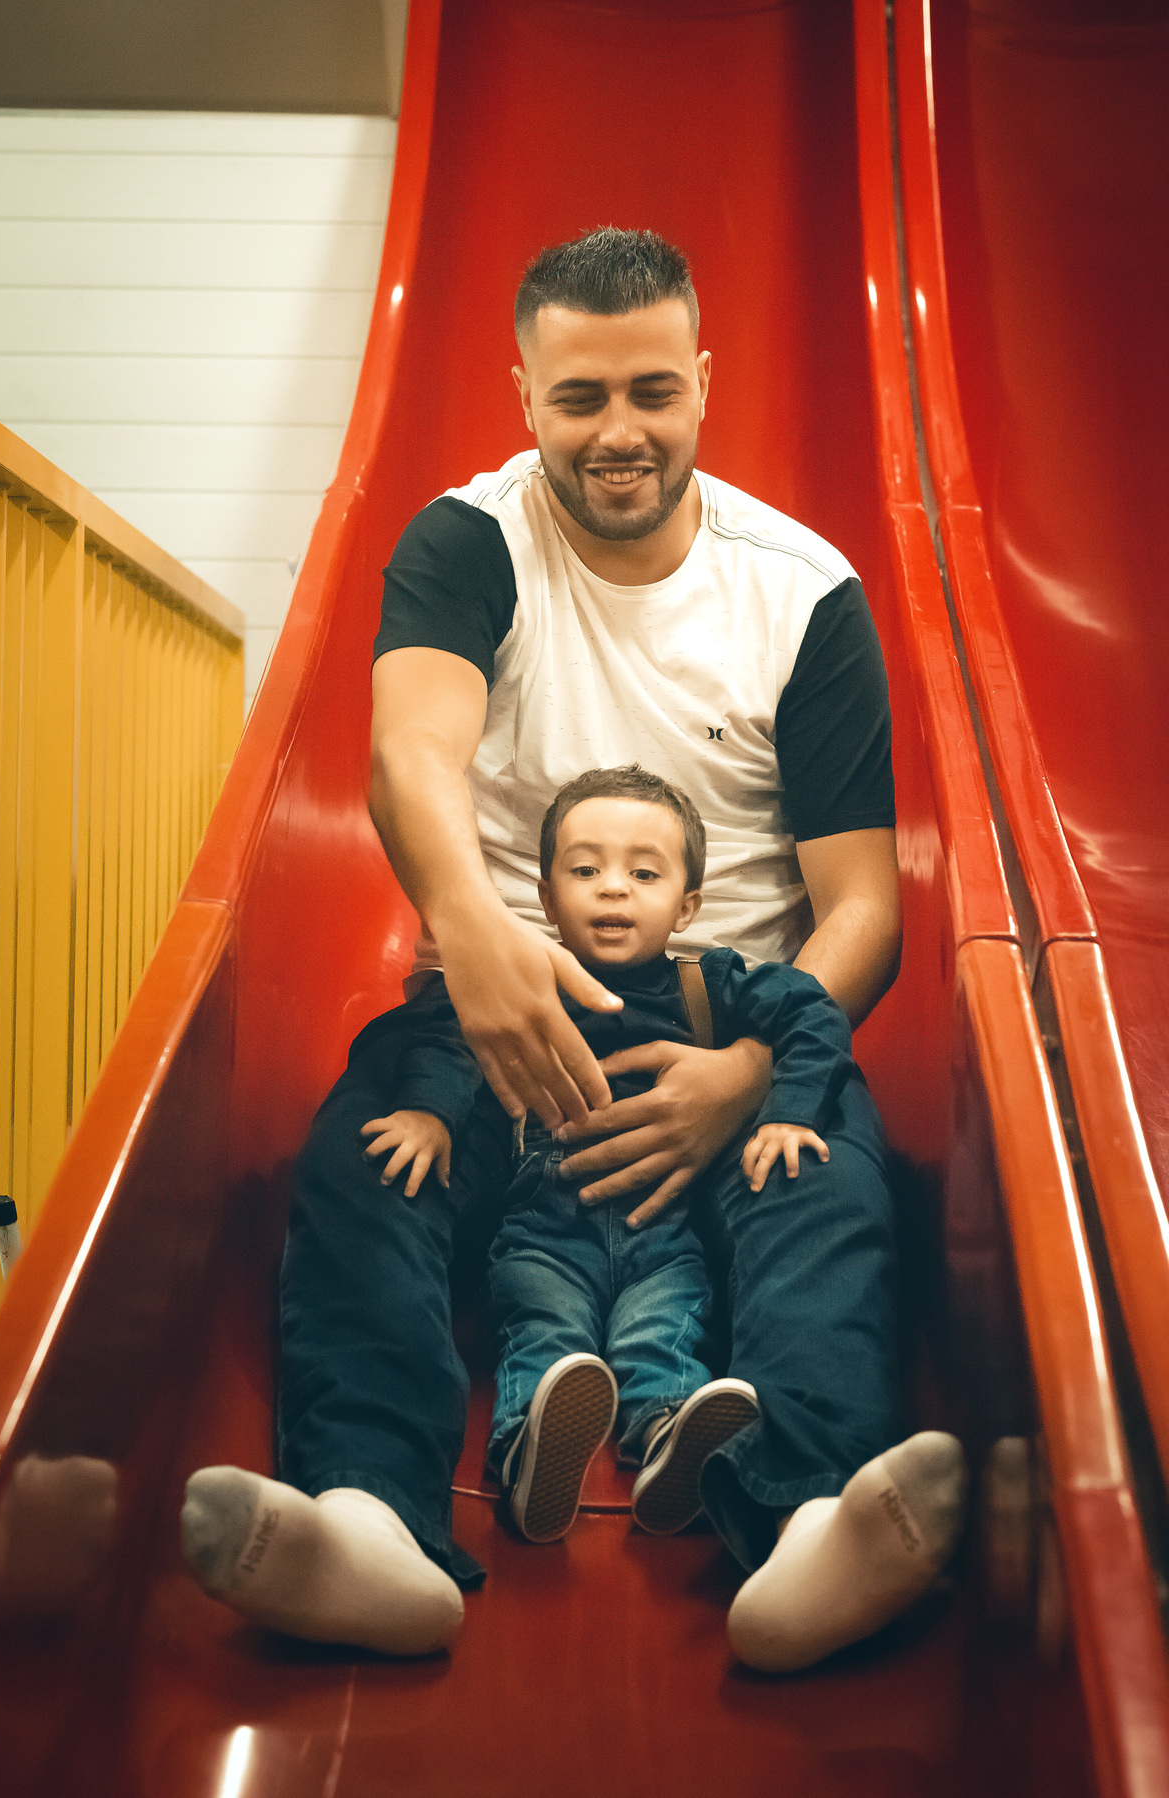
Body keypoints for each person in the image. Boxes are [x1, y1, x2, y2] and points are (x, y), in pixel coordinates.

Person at [180, 227, 966, 1672]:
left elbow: (863, 905)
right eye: (580, 396)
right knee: (367, 1156)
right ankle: (371, 1519)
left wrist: (748, 1070)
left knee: (824, 1180)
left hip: (717, 1019)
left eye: (653, 391)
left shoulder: (800, 591)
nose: (619, 432)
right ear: (524, 393)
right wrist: (476, 934)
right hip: (506, 1014)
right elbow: (411, 753)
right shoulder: (469, 542)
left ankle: (807, 1522)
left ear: (704, 382)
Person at [361, 765, 854, 1548]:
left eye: (645, 874)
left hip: (666, 1235)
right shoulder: (527, 983)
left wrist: (789, 1112)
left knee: (666, 1333)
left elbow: (812, 1013)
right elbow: (451, 1036)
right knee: (544, 1329)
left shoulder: (709, 985)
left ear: (688, 905)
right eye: (585, 870)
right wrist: (429, 1115)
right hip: (543, 1230)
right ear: (547, 898)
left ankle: (669, 1445)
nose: (614, 888)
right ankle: (531, 1447)